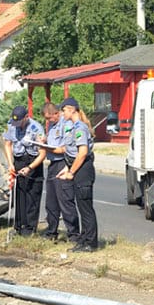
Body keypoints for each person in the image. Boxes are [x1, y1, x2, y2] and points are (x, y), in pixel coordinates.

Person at [56, 97, 98, 252]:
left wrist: (71, 172)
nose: (62, 114)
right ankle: (84, 239)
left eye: (64, 110)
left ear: (72, 109)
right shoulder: (72, 126)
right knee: (81, 206)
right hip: (76, 168)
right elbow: (71, 153)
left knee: (86, 208)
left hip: (83, 171)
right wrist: (67, 169)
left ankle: (90, 243)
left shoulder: (80, 127)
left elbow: (82, 153)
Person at [3, 105, 46, 236]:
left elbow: (42, 153)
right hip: (18, 160)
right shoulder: (11, 125)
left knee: (32, 196)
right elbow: (8, 144)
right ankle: (19, 226)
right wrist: (11, 164)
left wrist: (30, 168)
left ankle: (29, 228)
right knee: (20, 195)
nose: (16, 125)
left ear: (26, 117)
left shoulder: (36, 128)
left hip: (33, 162)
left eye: (19, 122)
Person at [40, 102, 77, 241]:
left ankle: (73, 234)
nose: (48, 121)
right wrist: (43, 141)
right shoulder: (52, 125)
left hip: (62, 162)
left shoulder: (65, 124)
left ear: (56, 113)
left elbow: (64, 148)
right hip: (52, 164)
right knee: (51, 202)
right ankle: (51, 232)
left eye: (49, 118)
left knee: (65, 201)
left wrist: (47, 148)